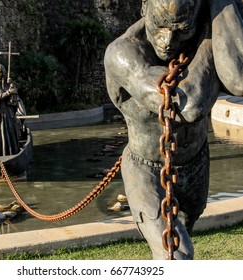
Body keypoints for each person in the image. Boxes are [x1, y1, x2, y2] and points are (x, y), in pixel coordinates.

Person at [104, 0, 243, 259]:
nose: (167, 40)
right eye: (159, 26)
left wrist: (221, 6)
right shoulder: (122, 53)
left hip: (197, 165)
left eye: (181, 30)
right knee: (177, 254)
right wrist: (208, 38)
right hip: (146, 169)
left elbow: (238, 78)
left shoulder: (204, 32)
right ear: (144, 6)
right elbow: (185, 104)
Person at [0, 64, 25, 156]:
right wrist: (8, 93)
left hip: (8, 115)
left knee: (9, 134)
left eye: (0, 72)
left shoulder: (7, 85)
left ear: (3, 73)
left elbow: (14, 102)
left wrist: (12, 87)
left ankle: (12, 154)